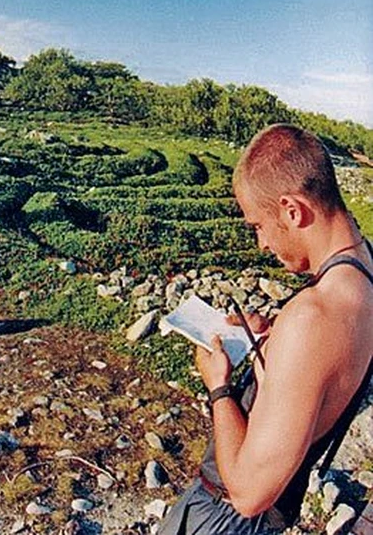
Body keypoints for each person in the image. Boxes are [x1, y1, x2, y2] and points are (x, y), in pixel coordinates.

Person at [158, 124, 373, 533]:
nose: (261, 243)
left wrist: (218, 387)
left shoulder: (313, 317)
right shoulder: (363, 269)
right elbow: (326, 367)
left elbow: (250, 494)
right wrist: (274, 340)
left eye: (258, 225)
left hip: (228, 519)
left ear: (293, 210)